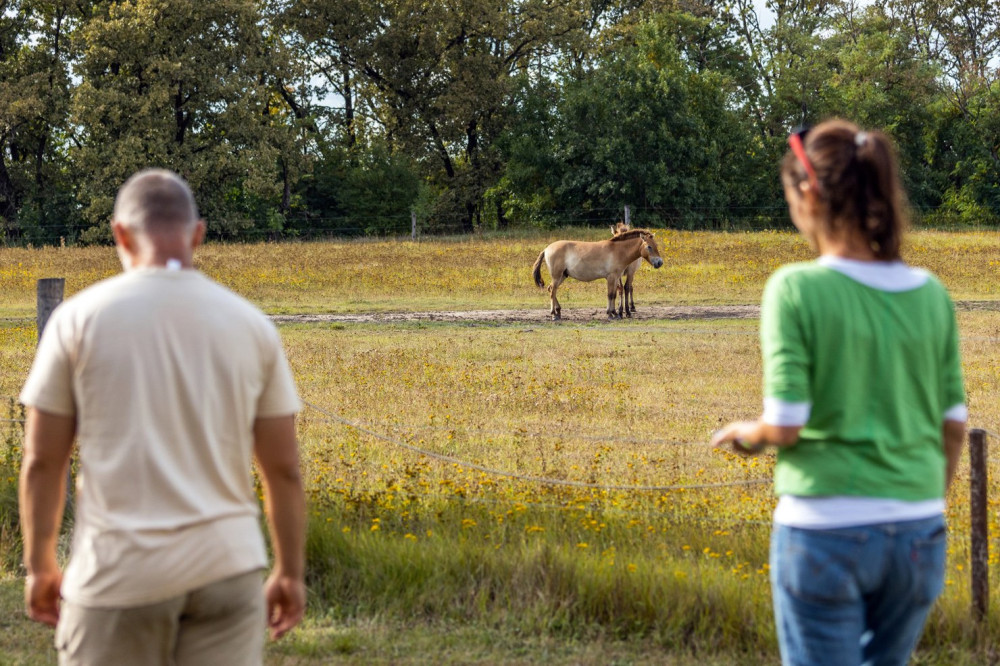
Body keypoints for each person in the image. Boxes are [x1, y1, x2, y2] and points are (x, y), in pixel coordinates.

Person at [19, 169, 306, 665]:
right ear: (198, 234)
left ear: (120, 234)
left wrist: (40, 565)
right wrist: (289, 571)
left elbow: (44, 460)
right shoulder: (250, 325)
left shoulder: (77, 321)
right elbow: (284, 469)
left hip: (119, 573)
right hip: (227, 568)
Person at [711, 119, 967, 666]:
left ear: (808, 192)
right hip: (918, 535)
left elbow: (785, 426)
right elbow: (953, 428)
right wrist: (921, 506)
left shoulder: (795, 288)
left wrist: (745, 435)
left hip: (826, 532)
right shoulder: (931, 294)